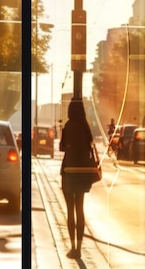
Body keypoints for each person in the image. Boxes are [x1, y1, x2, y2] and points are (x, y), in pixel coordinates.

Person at [60, 100, 96, 259]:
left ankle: (72, 246)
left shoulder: (68, 126)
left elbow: (62, 146)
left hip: (69, 170)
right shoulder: (85, 127)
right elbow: (89, 147)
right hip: (82, 172)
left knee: (70, 210)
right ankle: (79, 248)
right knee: (80, 209)